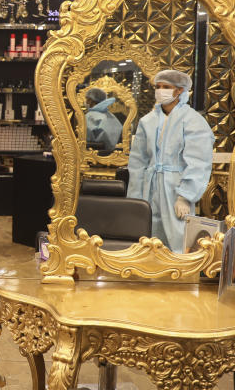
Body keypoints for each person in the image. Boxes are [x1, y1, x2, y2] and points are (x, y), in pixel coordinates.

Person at [127, 69, 214, 253]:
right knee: (147, 235)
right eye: (158, 87)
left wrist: (185, 195)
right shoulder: (147, 121)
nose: (160, 91)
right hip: (148, 187)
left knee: (178, 237)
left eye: (166, 87)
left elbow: (199, 161)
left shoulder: (193, 121)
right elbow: (137, 163)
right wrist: (135, 198)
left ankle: (180, 276)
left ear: (180, 91)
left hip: (175, 188)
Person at [84, 87, 123, 154]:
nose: (86, 102)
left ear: (91, 100)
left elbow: (85, 137)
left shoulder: (90, 115)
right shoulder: (110, 115)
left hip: (96, 152)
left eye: (87, 99)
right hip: (115, 152)